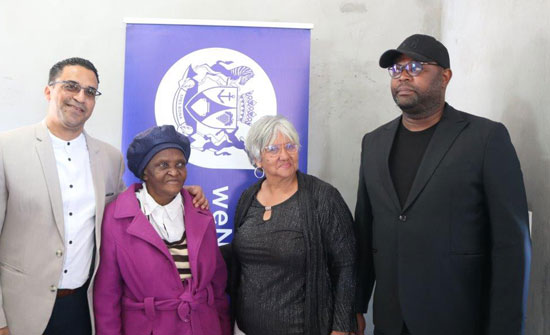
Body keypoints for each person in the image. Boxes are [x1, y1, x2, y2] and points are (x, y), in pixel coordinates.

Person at [0, 58, 207, 335]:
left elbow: (133, 211)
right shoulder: (7, 148)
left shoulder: (109, 158)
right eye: (71, 86)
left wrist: (183, 195)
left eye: (90, 91)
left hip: (83, 309)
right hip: (19, 311)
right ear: (49, 91)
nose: (80, 97)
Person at [354, 34, 531, 335]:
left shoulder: (486, 139)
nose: (403, 76)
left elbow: (512, 246)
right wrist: (355, 304)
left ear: (445, 76)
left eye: (416, 66)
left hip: (458, 318)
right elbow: (365, 229)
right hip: (391, 319)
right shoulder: (374, 143)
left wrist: (506, 327)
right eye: (396, 69)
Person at [224, 115, 356, 335]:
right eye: (273, 149)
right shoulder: (248, 197)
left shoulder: (323, 197)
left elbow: (347, 265)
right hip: (245, 329)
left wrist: (341, 328)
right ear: (257, 159)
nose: (284, 155)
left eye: (290, 146)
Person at [93, 125, 230, 335]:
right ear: (144, 172)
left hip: (203, 326)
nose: (174, 172)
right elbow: (107, 295)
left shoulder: (200, 210)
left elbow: (218, 283)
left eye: (180, 164)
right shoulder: (116, 217)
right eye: (163, 164)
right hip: (149, 328)